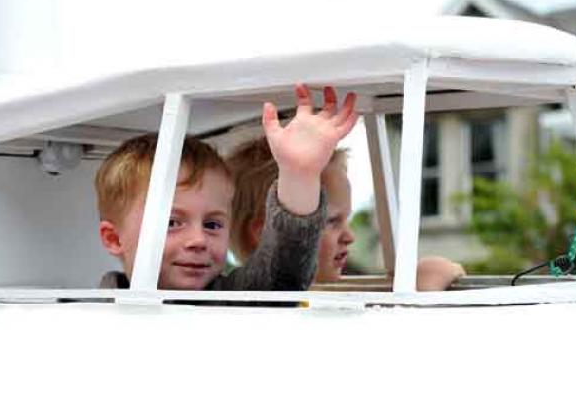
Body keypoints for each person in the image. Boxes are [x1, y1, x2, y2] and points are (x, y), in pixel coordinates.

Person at [95, 84, 359, 290]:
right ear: (114, 238)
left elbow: (285, 270)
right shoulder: (85, 315)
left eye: (213, 225)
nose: (198, 241)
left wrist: (299, 174)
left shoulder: (235, 298)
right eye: (172, 223)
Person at [227, 137, 466, 290]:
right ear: (268, 234)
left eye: (346, 219)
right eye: (331, 221)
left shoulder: (318, 298)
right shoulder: (268, 310)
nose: (349, 236)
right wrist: (422, 291)